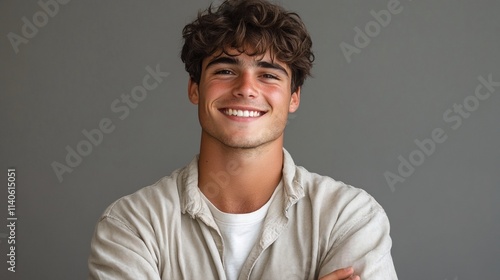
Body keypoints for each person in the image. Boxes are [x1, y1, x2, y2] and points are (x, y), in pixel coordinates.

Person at [88, 0, 398, 279]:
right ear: (194, 88)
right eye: (224, 70)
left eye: (268, 75)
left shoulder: (349, 218)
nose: (246, 89)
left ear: (294, 97)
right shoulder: (133, 225)